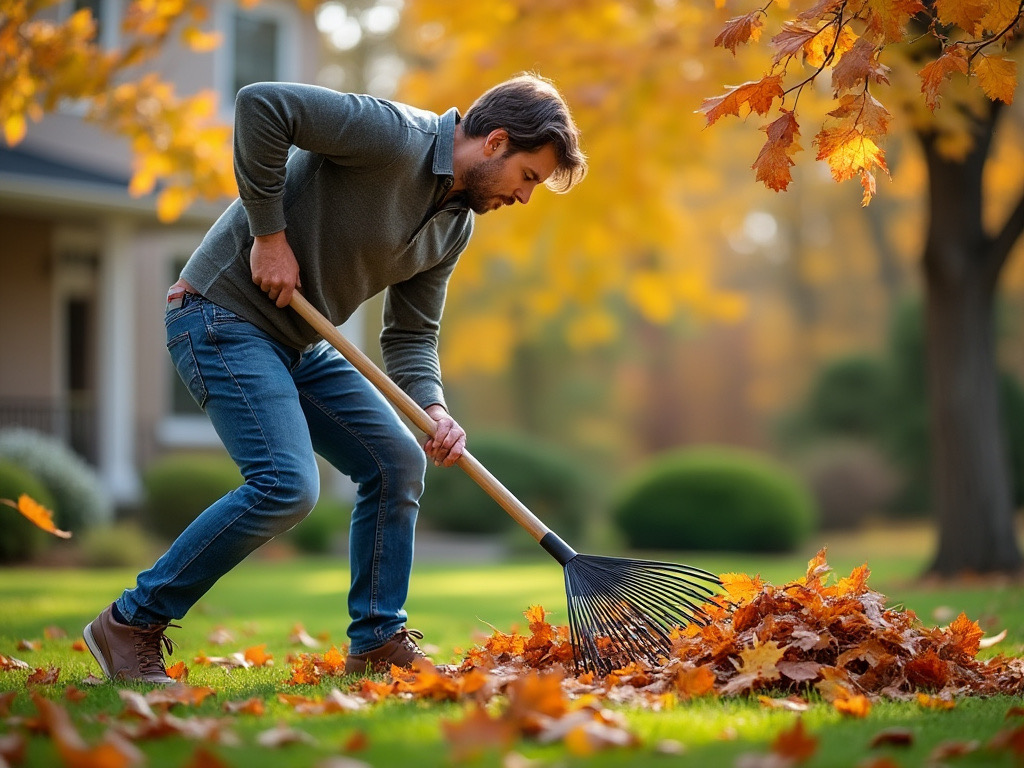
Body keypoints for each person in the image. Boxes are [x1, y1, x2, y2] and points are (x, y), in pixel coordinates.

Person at [82, 74, 587, 682]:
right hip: (220, 314)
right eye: (528, 177)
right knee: (287, 484)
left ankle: (376, 640)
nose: (525, 197)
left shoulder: (454, 225)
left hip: (297, 344)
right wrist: (269, 237)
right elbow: (261, 107)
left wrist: (433, 408)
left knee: (397, 461)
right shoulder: (392, 135)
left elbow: (409, 336)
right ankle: (131, 621)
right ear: (496, 141)